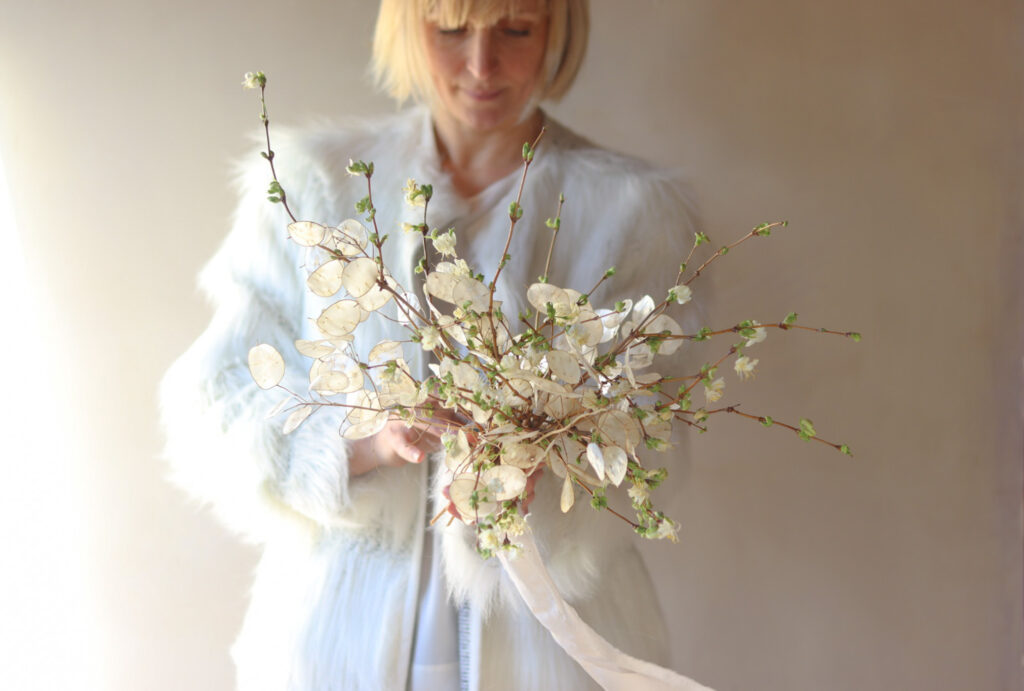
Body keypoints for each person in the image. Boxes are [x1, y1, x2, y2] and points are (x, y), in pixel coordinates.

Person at [160, 0, 698, 688]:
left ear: (557, 29)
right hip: (339, 630)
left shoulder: (629, 213)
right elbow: (220, 394)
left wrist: (545, 468)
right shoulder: (316, 184)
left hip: (551, 641)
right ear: (407, 28)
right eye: (450, 29)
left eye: (516, 28)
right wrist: (356, 444)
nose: (482, 65)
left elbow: (653, 432)